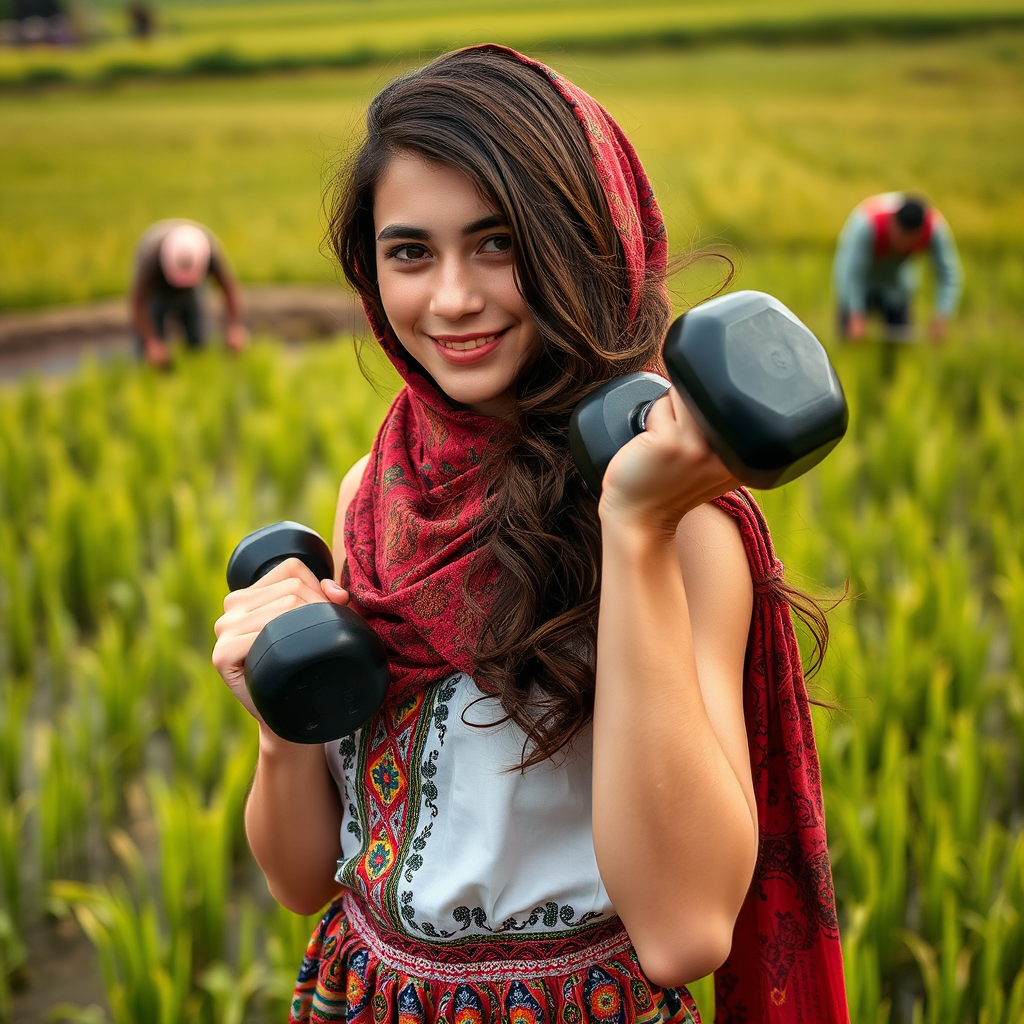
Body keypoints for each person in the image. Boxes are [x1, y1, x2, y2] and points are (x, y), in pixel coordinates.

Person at [213, 46, 849, 1023]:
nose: (453, 299)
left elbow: (684, 932)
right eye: (410, 252)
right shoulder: (376, 497)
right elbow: (303, 878)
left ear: (585, 243)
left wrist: (631, 531)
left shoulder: (680, 523)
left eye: (498, 242)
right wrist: (275, 714)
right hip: (363, 996)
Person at [833, 192, 962, 346]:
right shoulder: (866, 223)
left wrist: (942, 315)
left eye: (910, 241)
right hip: (861, 284)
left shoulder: (935, 230)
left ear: (920, 234)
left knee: (898, 347)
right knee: (849, 341)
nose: (903, 246)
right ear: (892, 224)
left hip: (897, 287)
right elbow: (850, 273)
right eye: (900, 237)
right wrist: (856, 313)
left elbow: (949, 274)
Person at [130, 219, 248, 368]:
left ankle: (193, 371)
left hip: (194, 291)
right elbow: (138, 303)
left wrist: (235, 327)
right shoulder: (151, 257)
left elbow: (228, 288)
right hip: (157, 291)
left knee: (198, 341)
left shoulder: (209, 251)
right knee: (149, 349)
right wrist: (152, 342)